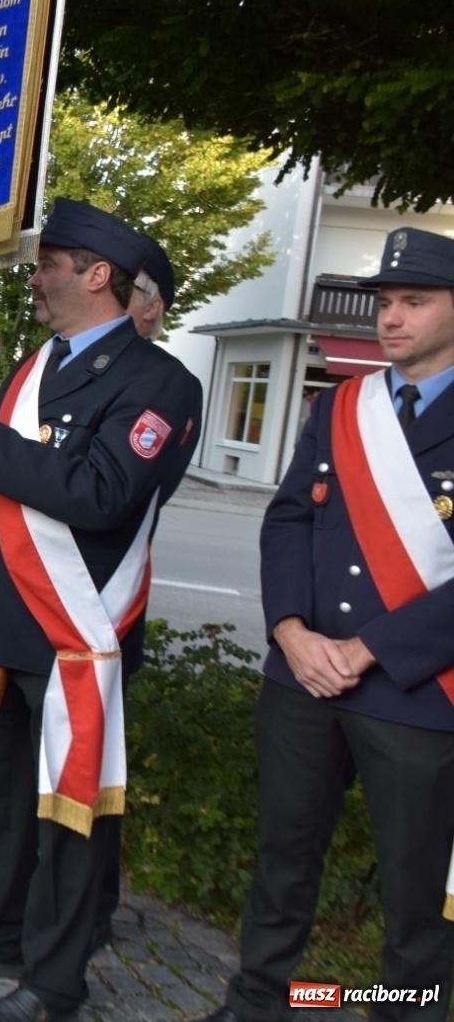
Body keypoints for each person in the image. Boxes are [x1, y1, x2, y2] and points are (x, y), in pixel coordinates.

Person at [0, 198, 202, 1022]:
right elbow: (5, 480)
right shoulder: (40, 364)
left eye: (49, 265)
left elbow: (100, 495)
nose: (34, 279)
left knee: (71, 819)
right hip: (2, 614)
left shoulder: (162, 383)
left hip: (77, 629)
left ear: (97, 275)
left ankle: (56, 979)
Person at [194, 227, 454, 1022]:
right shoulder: (342, 404)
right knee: (283, 859)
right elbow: (287, 523)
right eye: (384, 302)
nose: (392, 318)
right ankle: (258, 1003)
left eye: (415, 301)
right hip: (303, 676)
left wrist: (370, 646)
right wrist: (293, 631)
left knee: (415, 893)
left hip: (417, 692)